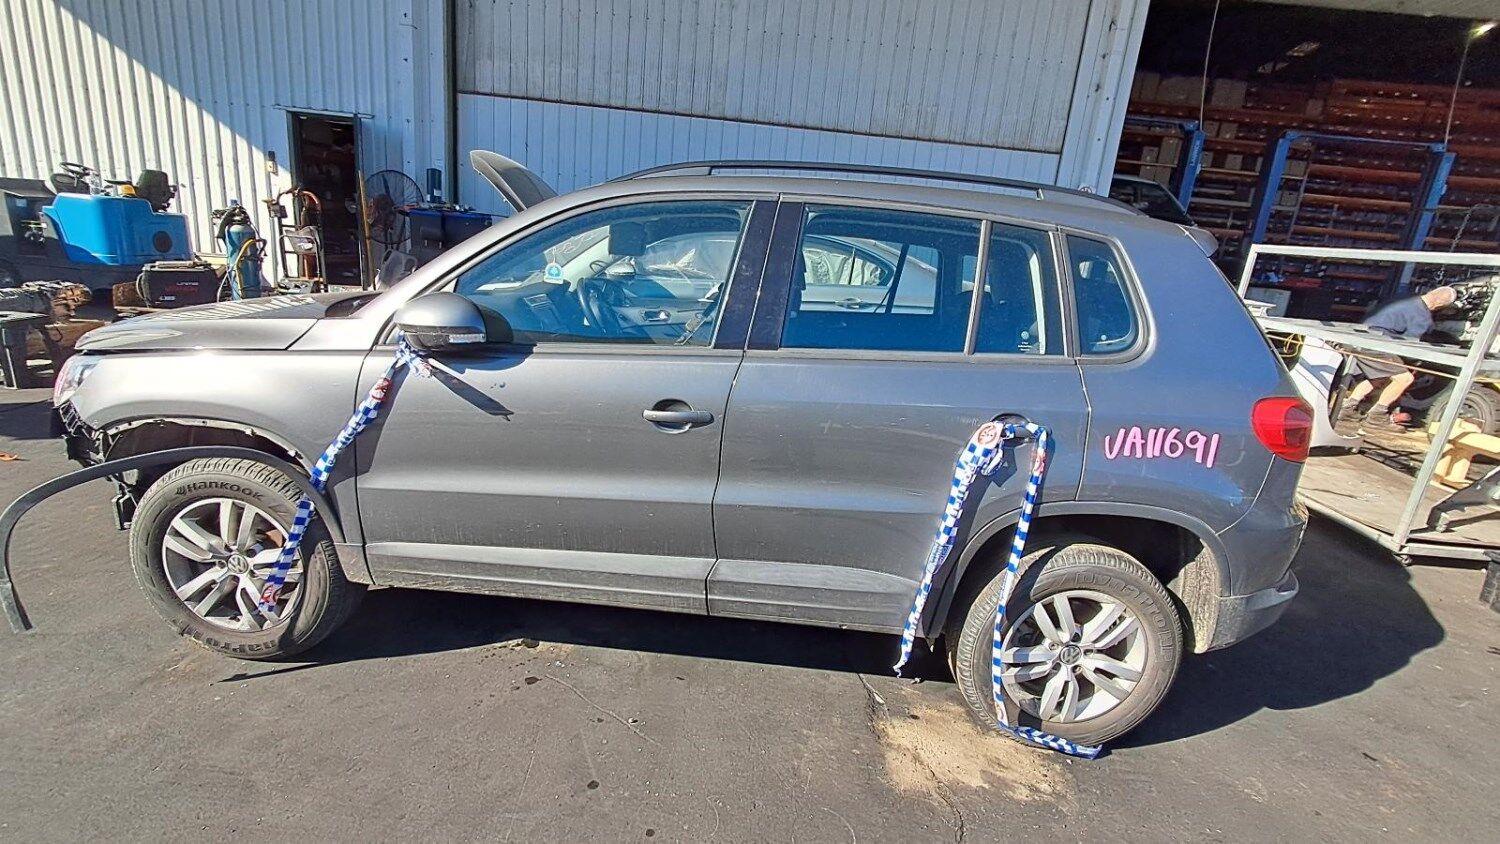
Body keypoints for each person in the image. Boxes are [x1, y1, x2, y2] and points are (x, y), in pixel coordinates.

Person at [1338, 285, 1457, 432]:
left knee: (1379, 377)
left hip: (1358, 337)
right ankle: (1376, 417)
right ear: (1439, 305)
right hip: (1375, 344)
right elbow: (1409, 347)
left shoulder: (1404, 298)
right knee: (1404, 379)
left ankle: (1347, 409)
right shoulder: (1422, 317)